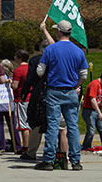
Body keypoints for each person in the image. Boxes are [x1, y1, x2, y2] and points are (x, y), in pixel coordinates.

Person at [35, 20, 87, 171]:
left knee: (53, 126)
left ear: (58, 32)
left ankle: (49, 160)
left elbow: (40, 71)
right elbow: (83, 75)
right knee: (72, 127)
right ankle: (76, 161)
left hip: (54, 91)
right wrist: (76, 85)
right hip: (71, 91)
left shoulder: (50, 50)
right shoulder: (78, 51)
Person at [81, 70, 102, 150]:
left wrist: (101, 106)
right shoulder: (95, 84)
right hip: (89, 110)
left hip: (96, 110)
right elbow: (92, 100)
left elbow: (97, 99)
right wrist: (99, 113)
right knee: (91, 130)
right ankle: (86, 147)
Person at [12, 49, 31, 153]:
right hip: (31, 97)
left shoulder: (18, 70)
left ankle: (26, 146)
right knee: (31, 123)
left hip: (21, 99)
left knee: (23, 124)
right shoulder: (31, 68)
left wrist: (11, 83)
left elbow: (15, 85)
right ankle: (31, 146)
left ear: (19, 58)